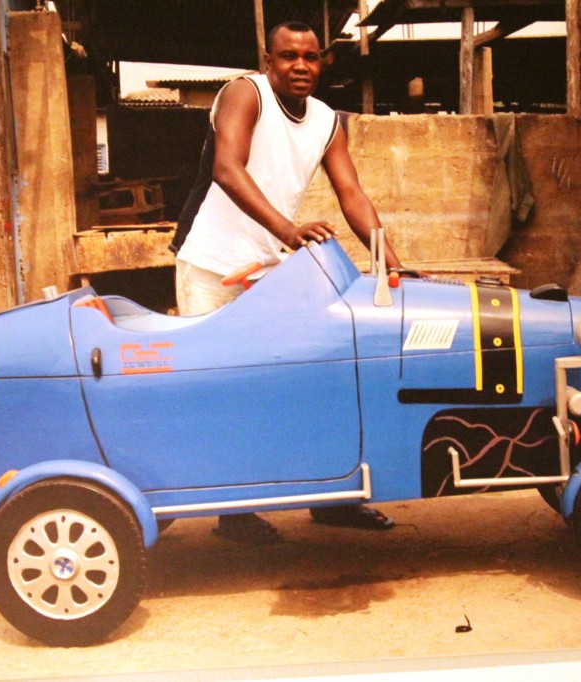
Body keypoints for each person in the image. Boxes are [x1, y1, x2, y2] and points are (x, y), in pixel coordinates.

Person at [170, 21, 402, 544]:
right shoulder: (243, 94)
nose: (300, 65)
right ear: (268, 61)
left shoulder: (325, 120)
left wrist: (391, 260)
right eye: (288, 56)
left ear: (323, 63)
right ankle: (232, 510)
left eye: (311, 57)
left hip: (267, 271)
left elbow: (352, 194)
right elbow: (228, 169)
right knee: (221, 387)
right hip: (212, 263)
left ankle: (332, 499)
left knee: (309, 380)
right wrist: (288, 231)